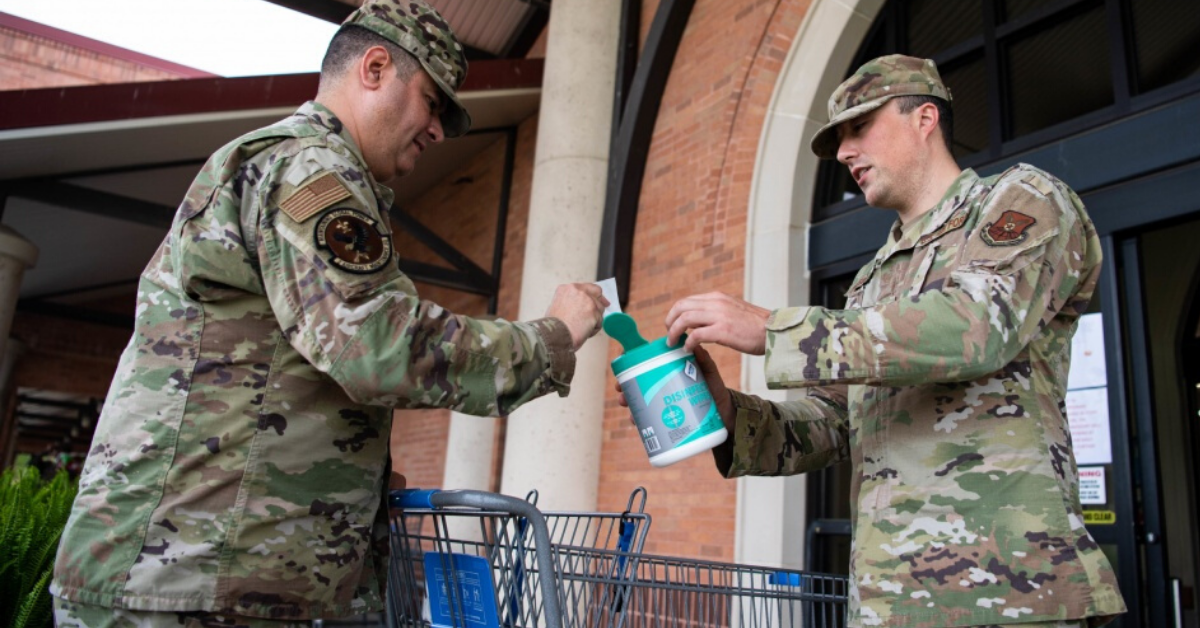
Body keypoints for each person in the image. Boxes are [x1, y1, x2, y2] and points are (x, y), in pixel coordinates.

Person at [50, 1, 607, 626]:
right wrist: (553, 337)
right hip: (191, 580)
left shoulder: (302, 168)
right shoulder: (308, 167)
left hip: (205, 576)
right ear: (374, 67)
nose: (440, 130)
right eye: (433, 102)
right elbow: (378, 344)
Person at [657, 55, 1127, 627]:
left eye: (859, 128)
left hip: (1009, 596)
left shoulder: (1021, 200)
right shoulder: (872, 280)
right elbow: (835, 424)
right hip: (889, 602)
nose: (844, 152)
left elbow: (977, 327)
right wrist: (724, 410)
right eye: (837, 141)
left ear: (924, 118)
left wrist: (775, 329)